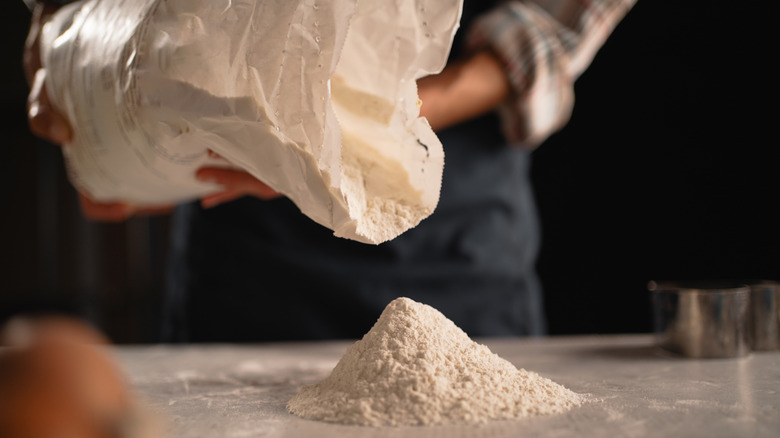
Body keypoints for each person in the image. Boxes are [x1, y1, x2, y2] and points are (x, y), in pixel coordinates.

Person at [24, 0, 636, 342]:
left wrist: (347, 129)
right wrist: (75, 57)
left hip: (456, 249)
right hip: (245, 261)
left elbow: (553, 27)